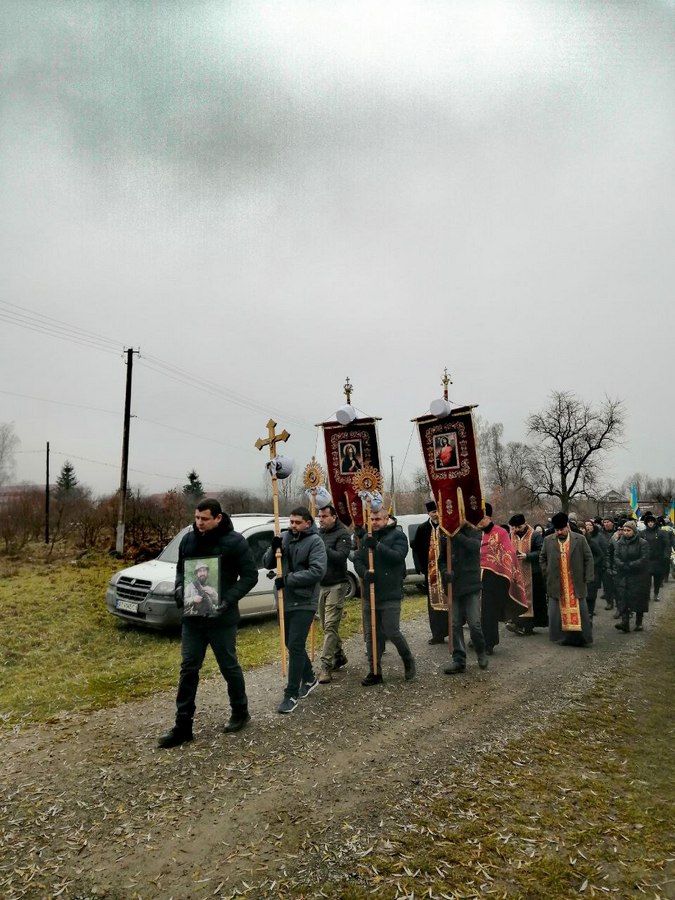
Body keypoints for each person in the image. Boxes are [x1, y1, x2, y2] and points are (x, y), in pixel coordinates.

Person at [158, 499, 258, 748]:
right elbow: (181, 571)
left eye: (204, 519)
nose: (199, 523)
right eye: (197, 518)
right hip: (193, 619)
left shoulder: (235, 542)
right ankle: (183, 726)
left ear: (218, 518)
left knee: (228, 666)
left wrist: (228, 599)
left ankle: (240, 711)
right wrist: (180, 589)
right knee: (188, 668)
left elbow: (250, 576)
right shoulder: (188, 540)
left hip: (221, 618)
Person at [263, 506, 327, 714]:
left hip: (305, 599)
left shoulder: (315, 541)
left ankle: (291, 694)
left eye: (298, 522)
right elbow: (267, 563)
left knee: (296, 644)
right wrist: (273, 548)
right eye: (291, 522)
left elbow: (317, 571)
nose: (293, 526)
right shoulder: (284, 537)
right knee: (290, 643)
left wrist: (288, 579)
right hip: (285, 599)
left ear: (308, 523)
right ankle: (309, 678)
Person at [353, 506, 416, 685]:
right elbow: (358, 559)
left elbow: (398, 557)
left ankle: (408, 659)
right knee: (371, 634)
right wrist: (365, 573)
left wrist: (378, 546)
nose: (374, 523)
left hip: (390, 592)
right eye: (372, 520)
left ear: (386, 518)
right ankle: (375, 671)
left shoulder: (398, 535)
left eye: (377, 519)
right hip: (370, 593)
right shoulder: (367, 537)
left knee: (391, 630)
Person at [438, 519, 488, 673]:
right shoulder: (446, 536)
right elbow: (441, 560)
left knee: (474, 623)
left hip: (471, 584)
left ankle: (481, 650)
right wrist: (445, 572)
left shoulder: (474, 531)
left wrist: (456, 535)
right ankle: (459, 659)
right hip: (454, 586)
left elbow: (474, 547)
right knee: (454, 624)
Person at [478, 503, 528, 653]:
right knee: (475, 611)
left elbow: (509, 553)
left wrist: (498, 566)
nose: (478, 521)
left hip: (493, 578)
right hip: (475, 577)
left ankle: (489, 643)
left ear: (488, 517)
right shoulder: (475, 532)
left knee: (488, 612)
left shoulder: (500, 532)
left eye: (481, 517)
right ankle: (477, 638)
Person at [539, 511, 594, 647]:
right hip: (557, 583)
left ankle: (581, 638)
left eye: (561, 529)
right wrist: (547, 572)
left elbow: (588, 558)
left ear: (567, 526)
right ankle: (562, 637)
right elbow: (542, 558)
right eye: (557, 530)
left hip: (575, 582)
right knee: (557, 612)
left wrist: (588, 576)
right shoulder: (548, 540)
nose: (559, 532)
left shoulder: (579, 539)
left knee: (580, 611)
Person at [316, 504, 352, 683]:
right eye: (319, 516)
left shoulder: (342, 534)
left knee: (330, 625)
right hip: (321, 584)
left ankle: (325, 666)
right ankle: (339, 655)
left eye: (324, 516)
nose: (321, 519)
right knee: (325, 625)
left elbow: (340, 557)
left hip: (337, 584)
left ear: (334, 517)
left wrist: (323, 547)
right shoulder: (318, 533)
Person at [411, 500, 448, 645]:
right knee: (433, 604)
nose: (436, 514)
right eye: (433, 512)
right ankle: (437, 635)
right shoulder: (422, 528)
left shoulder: (446, 527)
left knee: (449, 600)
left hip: (445, 571)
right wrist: (419, 566)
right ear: (428, 513)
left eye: (437, 511)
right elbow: (416, 548)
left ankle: (450, 631)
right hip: (430, 572)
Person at [507, 513, 547, 635]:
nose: (516, 530)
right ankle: (516, 623)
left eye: (518, 527)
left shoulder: (535, 535)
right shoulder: (511, 535)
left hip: (532, 573)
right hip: (516, 574)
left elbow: (541, 551)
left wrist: (527, 556)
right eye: (514, 527)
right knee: (517, 598)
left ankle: (528, 626)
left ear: (524, 524)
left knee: (532, 600)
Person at [613, 520, 650, 632]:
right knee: (623, 597)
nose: (626, 532)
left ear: (634, 531)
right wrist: (621, 564)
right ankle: (625, 623)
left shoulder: (642, 543)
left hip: (639, 575)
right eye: (624, 530)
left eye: (628, 530)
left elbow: (644, 558)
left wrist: (631, 565)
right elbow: (616, 556)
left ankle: (639, 622)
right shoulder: (620, 542)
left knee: (639, 598)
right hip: (624, 574)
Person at [641, 512, 671, 601]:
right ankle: (647, 595)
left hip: (658, 560)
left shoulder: (661, 532)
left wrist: (666, 555)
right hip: (646, 561)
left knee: (657, 579)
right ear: (646, 523)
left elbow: (667, 545)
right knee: (646, 580)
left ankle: (656, 594)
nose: (650, 523)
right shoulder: (642, 533)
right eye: (648, 522)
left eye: (652, 521)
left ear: (655, 522)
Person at [583, 520, 605, 618]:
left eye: (589, 525)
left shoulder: (592, 541)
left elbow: (600, 554)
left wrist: (592, 563)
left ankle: (590, 612)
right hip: (581, 571)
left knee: (591, 593)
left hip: (593, 570)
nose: (587, 527)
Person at [597, 518, 617, 610]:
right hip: (605, 562)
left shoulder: (617, 532)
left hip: (616, 561)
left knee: (617, 585)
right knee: (607, 584)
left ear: (612, 523)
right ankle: (609, 602)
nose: (606, 524)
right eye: (604, 522)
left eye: (608, 522)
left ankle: (619, 604)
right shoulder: (600, 534)